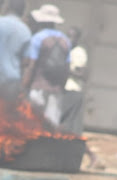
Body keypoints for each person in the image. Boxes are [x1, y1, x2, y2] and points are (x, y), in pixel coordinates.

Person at [22, 3, 70, 131]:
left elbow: (31, 65)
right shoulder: (65, 40)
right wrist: (62, 87)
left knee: (33, 123)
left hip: (38, 86)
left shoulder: (38, 38)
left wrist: (24, 85)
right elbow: (67, 67)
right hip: (56, 89)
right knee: (52, 125)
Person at [59, 26, 98, 168]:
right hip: (63, 91)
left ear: (77, 38)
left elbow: (83, 75)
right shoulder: (65, 50)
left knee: (69, 130)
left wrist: (66, 70)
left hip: (73, 92)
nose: (69, 39)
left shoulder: (78, 53)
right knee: (65, 129)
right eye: (67, 36)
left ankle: (91, 156)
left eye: (72, 37)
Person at [0, 0, 31, 105]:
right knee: (0, 115)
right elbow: (26, 62)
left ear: (8, 7)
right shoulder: (26, 31)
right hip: (12, 81)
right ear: (22, 12)